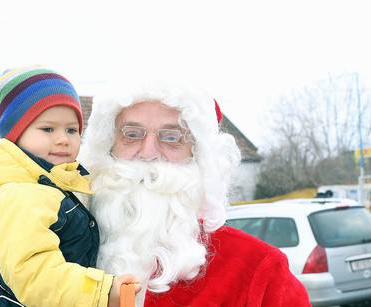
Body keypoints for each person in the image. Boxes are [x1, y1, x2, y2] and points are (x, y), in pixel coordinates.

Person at [79, 81, 311, 307]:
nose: (148, 153)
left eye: (171, 137)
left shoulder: (257, 269)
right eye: (131, 134)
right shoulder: (56, 250)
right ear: (106, 146)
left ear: (199, 156)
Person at [0, 67, 138, 307]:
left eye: (71, 129)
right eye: (48, 129)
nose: (63, 138)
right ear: (16, 134)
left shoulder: (47, 187)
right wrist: (102, 291)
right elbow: (35, 276)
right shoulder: (17, 195)